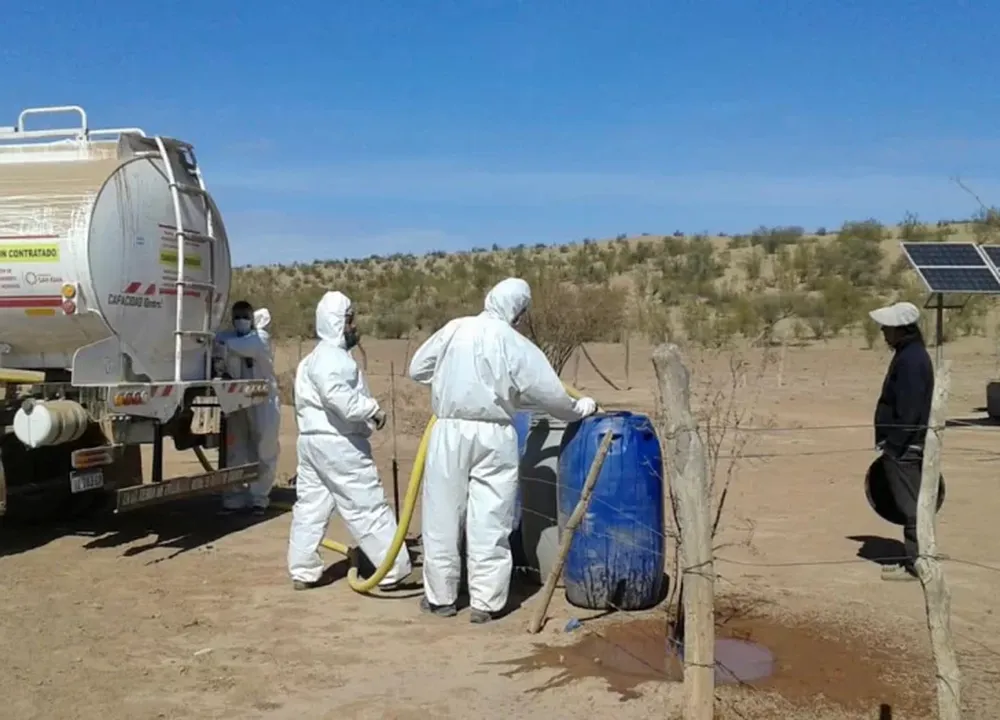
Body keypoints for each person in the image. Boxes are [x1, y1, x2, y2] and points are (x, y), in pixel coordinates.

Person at [408, 277, 598, 623]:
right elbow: (552, 395)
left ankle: (441, 597)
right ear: (519, 311)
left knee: (442, 514)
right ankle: (487, 602)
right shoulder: (516, 344)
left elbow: (417, 368)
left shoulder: (455, 329)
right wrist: (579, 409)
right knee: (491, 517)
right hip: (495, 434)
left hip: (449, 430)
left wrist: (451, 377)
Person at [287, 291, 412, 591]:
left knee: (311, 506)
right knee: (366, 505)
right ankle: (392, 569)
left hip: (312, 443)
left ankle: (303, 570)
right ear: (336, 322)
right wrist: (373, 411)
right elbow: (338, 397)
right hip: (339, 444)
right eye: (350, 319)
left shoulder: (311, 360)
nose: (355, 326)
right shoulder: (332, 358)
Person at [869, 301, 934, 582]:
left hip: (905, 447)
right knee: (910, 504)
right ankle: (914, 559)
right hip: (903, 444)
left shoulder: (911, 360)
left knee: (911, 507)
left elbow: (910, 408)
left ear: (901, 330)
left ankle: (918, 564)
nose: (883, 331)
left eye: (888, 327)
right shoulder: (909, 355)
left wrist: (894, 446)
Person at [215, 300, 280, 516]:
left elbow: (228, 344)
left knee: (264, 449)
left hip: (263, 401)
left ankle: (259, 497)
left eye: (244, 316)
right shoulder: (230, 338)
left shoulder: (259, 339)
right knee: (236, 449)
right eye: (237, 316)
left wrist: (217, 342)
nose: (240, 320)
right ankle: (234, 496)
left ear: (252, 319)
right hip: (237, 400)